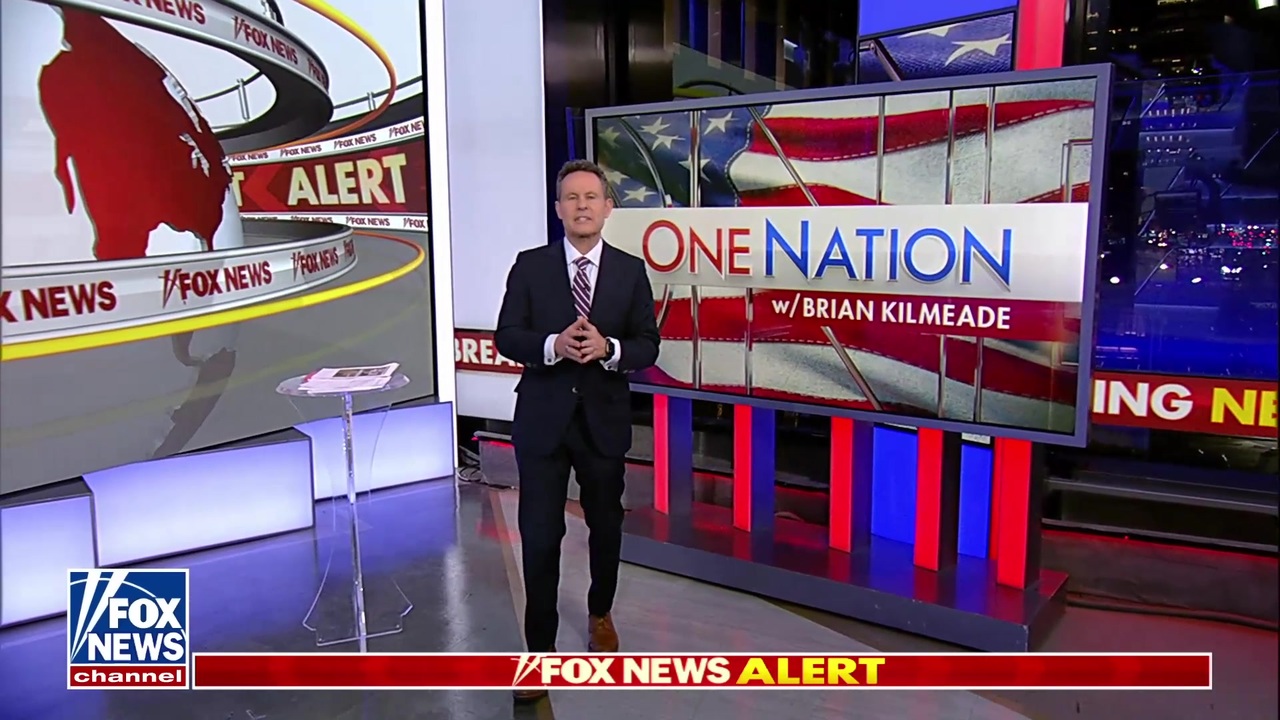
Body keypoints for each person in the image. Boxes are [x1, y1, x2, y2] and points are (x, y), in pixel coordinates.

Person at [495, 159, 660, 702]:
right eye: (571, 197)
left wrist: (609, 349)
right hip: (542, 421)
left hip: (603, 422)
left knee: (606, 527)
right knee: (541, 535)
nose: (582, 205)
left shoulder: (630, 271)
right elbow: (507, 335)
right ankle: (539, 650)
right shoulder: (530, 265)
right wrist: (552, 345)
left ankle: (600, 612)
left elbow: (647, 344)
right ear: (558, 208)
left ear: (608, 207)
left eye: (591, 196)